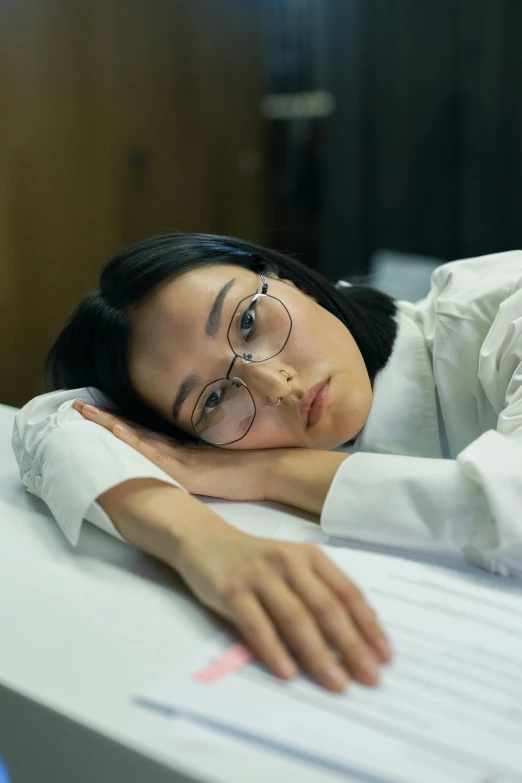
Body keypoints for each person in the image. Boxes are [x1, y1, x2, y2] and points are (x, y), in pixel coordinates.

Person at [12, 234, 522, 692]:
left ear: (292, 282)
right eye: (212, 401)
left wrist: (266, 471)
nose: (275, 383)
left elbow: (507, 503)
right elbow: (56, 418)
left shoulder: (504, 309)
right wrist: (204, 543)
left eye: (248, 321)